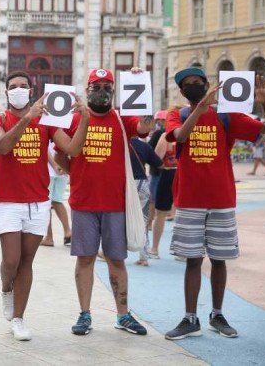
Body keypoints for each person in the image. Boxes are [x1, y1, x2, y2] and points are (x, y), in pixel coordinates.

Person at [164, 68, 265, 340]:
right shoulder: (178, 114)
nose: (193, 87)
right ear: (182, 91)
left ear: (208, 84)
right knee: (193, 260)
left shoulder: (227, 115)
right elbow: (181, 136)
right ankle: (190, 318)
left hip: (221, 199)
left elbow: (263, 129)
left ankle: (217, 314)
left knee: (219, 260)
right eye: (187, 85)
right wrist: (200, 107)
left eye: (197, 83)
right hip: (189, 199)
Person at [0, 72, 89, 340]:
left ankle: (19, 318)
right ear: (6, 92)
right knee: (11, 260)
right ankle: (6, 287)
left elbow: (73, 149)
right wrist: (27, 118)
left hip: (38, 201)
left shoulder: (47, 120)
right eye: (13, 87)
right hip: (6, 200)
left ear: (31, 91)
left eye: (23, 86)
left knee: (27, 260)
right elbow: (4, 146)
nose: (18, 90)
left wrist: (85, 119)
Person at [62, 68, 153, 337]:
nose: (101, 90)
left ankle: (123, 315)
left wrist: (142, 85)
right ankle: (85, 314)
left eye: (106, 85)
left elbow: (146, 126)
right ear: (87, 89)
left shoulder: (121, 119)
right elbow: (60, 154)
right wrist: (77, 174)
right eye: (96, 85)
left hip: (116, 204)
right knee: (85, 259)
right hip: (84, 203)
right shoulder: (75, 118)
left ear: (113, 90)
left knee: (116, 260)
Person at [129, 137, 163, 267]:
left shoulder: (120, 143)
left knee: (118, 219)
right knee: (143, 221)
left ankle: (112, 252)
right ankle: (143, 257)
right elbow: (159, 163)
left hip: (126, 185)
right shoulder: (144, 146)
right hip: (142, 185)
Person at [148, 130, 177, 259]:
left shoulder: (192, 133)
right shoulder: (166, 136)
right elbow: (156, 159)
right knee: (161, 212)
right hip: (169, 174)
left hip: (179, 174)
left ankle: (156, 249)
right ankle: (154, 248)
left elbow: (156, 160)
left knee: (187, 212)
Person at [41, 142, 71, 247]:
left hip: (49, 169)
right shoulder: (67, 125)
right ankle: (68, 231)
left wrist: (54, 164)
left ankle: (49, 237)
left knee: (45, 204)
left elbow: (43, 147)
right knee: (58, 201)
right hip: (63, 168)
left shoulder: (46, 125)